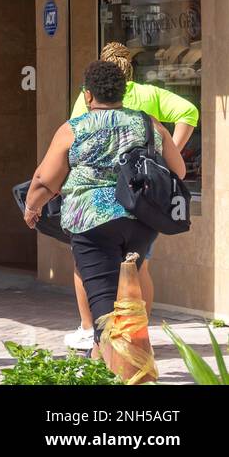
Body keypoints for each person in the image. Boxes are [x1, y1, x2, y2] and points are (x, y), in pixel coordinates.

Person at [23, 60, 184, 367]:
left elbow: (46, 179)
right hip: (141, 220)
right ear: (123, 91)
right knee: (127, 295)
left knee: (103, 303)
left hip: (91, 223)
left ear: (87, 95)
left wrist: (32, 206)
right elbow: (177, 169)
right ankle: (109, 358)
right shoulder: (148, 122)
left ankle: (117, 368)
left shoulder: (74, 128)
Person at [61, 42, 199, 353]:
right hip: (141, 203)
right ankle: (139, 334)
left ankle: (89, 330)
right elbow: (189, 111)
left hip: (93, 206)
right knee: (138, 269)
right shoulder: (148, 96)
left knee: (85, 269)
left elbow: (71, 144)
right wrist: (162, 159)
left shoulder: (92, 97)